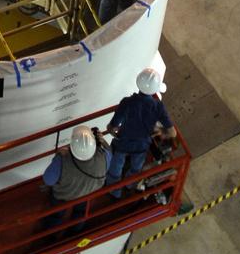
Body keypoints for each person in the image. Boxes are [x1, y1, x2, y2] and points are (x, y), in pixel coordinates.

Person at [105, 69, 175, 197]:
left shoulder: (127, 102)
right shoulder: (158, 107)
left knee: (115, 169)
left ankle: (114, 191)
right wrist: (161, 131)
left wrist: (113, 131)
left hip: (123, 143)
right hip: (142, 145)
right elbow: (172, 133)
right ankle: (129, 184)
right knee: (135, 169)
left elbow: (113, 126)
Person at [41, 124, 109, 228]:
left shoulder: (62, 160)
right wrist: (102, 141)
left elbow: (48, 180)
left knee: (56, 214)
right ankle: (75, 230)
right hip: (87, 192)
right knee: (81, 212)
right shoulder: (104, 156)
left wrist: (58, 156)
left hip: (63, 196)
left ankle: (51, 231)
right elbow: (110, 155)